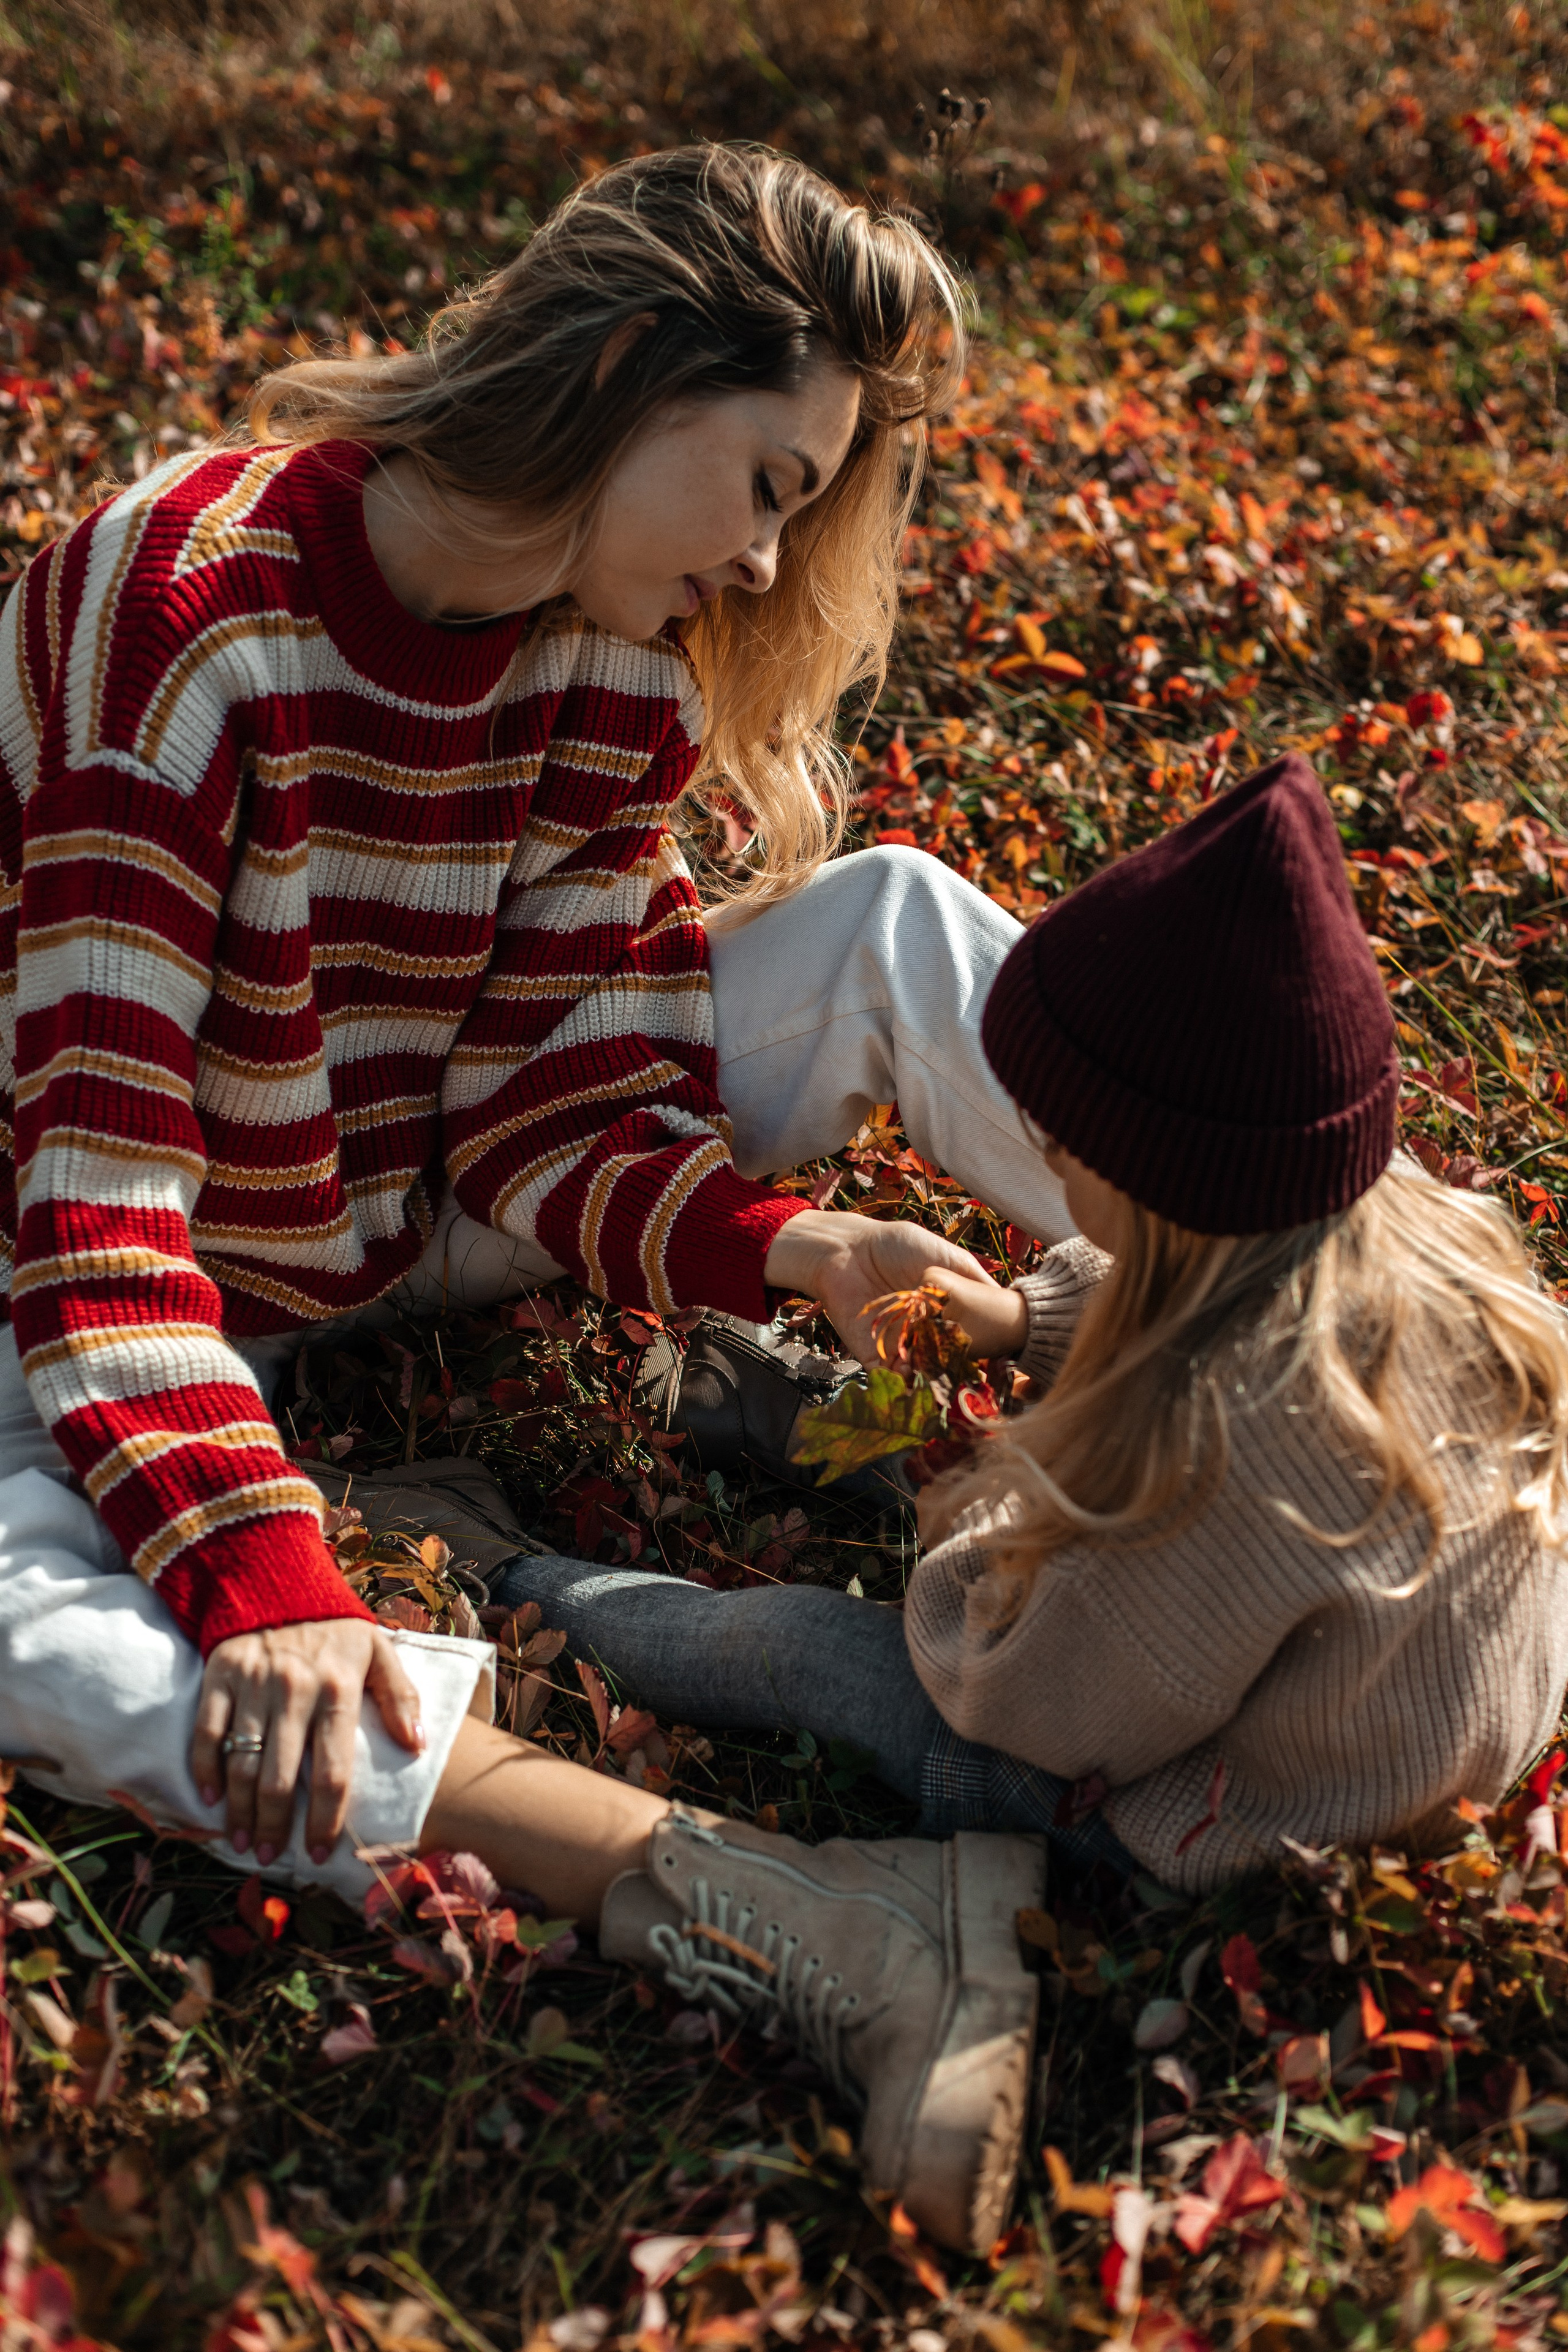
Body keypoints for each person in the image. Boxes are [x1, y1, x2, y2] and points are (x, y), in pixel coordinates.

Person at [0, 141, 1074, 2253]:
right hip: (116, 1280)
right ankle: (799, 1912)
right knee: (29, 1629)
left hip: (386, 1198)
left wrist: (790, 1244)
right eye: (767, 482)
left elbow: (548, 1113)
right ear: (616, 373)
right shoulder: (187, 606)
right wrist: (265, 1579)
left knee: (886, 930)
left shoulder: (604, 652)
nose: (771, 567)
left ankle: (1365, 1299)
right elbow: (99, 1190)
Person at [505, 755, 1568, 1891]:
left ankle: (508, 1575)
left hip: (1215, 1822)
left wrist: (981, 1523)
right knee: (976, 1458)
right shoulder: (1398, 1233)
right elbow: (1192, 1296)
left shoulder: (1228, 1448)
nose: (1040, 1147)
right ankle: (790, 1413)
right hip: (1330, 1700)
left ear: (1167, 1179)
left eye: (1062, 1139)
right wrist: (1021, 1322)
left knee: (808, 1649)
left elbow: (1015, 1692)